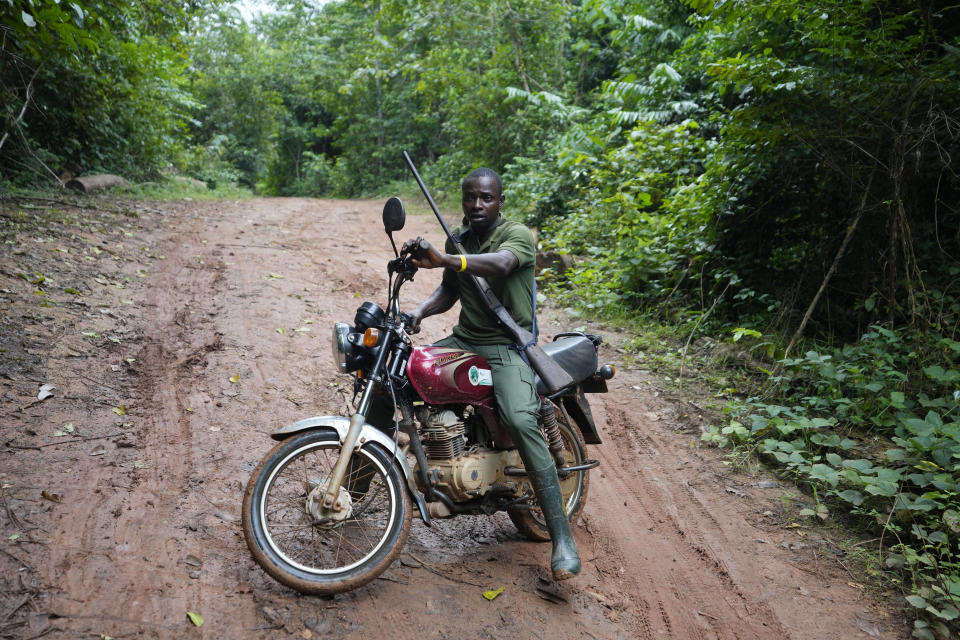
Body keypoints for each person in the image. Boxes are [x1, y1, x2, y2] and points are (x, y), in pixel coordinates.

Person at [400, 167, 580, 581]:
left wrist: (448, 257)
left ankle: (562, 537)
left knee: (520, 417)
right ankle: (352, 491)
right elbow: (451, 288)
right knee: (401, 374)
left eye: (486, 198)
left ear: (500, 201)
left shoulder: (517, 235)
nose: (477, 205)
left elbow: (499, 265)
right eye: (470, 198)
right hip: (465, 338)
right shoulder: (458, 238)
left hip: (507, 347)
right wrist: (418, 312)